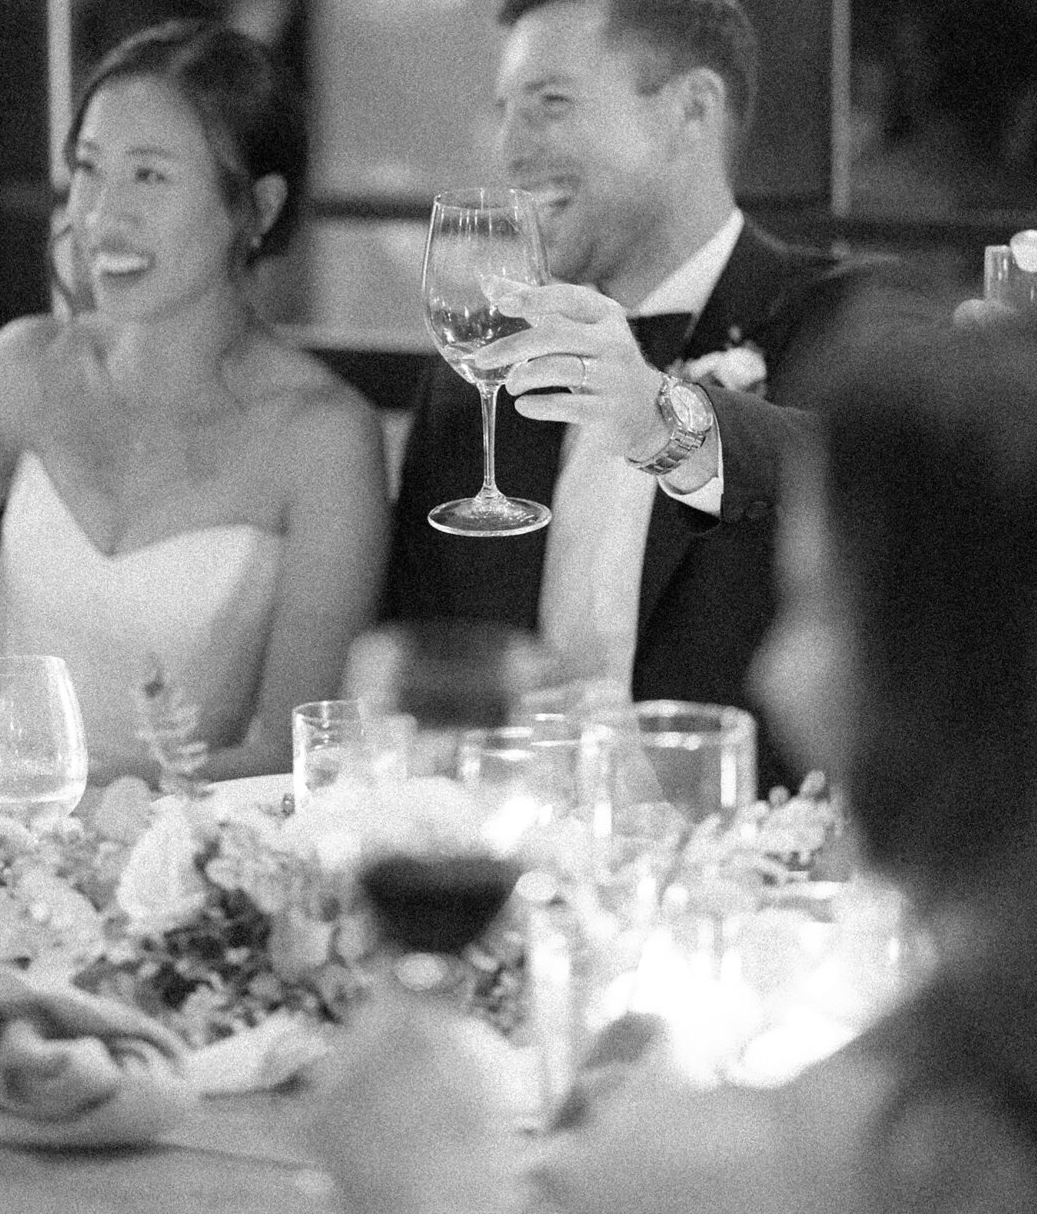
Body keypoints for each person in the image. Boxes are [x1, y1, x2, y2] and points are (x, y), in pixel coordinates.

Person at [312, 314, 1037, 1213]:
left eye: (816, 604)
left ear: (957, 655)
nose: (773, 672)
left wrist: (434, 1191)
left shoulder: (862, 1152)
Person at [385, 0, 933, 791]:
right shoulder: (476, 379)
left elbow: (887, 503)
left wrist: (658, 417)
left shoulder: (854, 319)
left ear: (692, 109)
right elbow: (412, 667)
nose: (510, 148)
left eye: (550, 105)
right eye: (505, 111)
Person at [0, 20, 389, 783]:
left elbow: (299, 756)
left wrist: (97, 801)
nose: (100, 216)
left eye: (150, 177)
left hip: (188, 866)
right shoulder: (27, 366)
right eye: (90, 170)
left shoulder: (324, 438)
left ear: (257, 210)